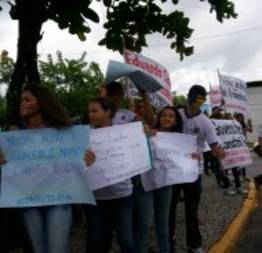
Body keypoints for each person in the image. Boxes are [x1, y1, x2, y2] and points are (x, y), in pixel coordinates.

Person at [0, 84, 73, 253]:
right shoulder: (15, 136)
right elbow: (10, 170)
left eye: (27, 99)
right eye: (21, 100)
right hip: (29, 202)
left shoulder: (64, 132)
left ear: (41, 103)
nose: (22, 103)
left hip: (58, 200)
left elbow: (78, 166)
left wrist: (87, 159)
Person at [169, 84, 225, 253]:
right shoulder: (177, 114)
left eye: (200, 99)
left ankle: (194, 244)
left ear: (202, 101)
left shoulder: (205, 122)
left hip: (192, 171)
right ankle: (168, 240)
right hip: (172, 169)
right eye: (193, 98)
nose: (195, 102)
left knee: (191, 210)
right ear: (188, 96)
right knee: (169, 208)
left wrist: (219, 153)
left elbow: (214, 144)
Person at [84, 97, 133, 253]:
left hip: (122, 195)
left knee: (125, 240)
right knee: (96, 239)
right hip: (95, 197)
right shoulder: (84, 135)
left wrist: (146, 134)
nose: (90, 114)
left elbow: (137, 152)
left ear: (108, 112)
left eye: (94, 111)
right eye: (89, 111)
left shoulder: (125, 132)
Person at [142, 106, 184, 253]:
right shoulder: (148, 132)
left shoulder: (180, 140)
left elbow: (186, 157)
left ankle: (165, 250)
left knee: (162, 222)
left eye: (171, 116)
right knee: (145, 222)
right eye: (164, 115)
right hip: (144, 184)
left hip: (165, 184)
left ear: (175, 121)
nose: (167, 118)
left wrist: (193, 157)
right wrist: (143, 134)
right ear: (159, 118)